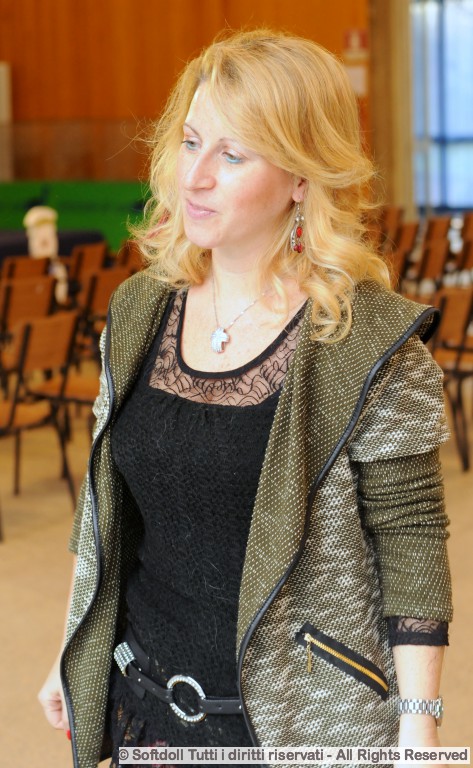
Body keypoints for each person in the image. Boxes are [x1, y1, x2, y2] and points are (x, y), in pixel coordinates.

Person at [38, 29, 452, 768]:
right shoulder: (138, 310)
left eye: (232, 156)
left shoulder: (368, 344)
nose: (194, 178)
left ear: (301, 178)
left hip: (301, 725)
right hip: (148, 711)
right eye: (191, 142)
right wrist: (74, 650)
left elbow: (411, 537)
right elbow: (102, 509)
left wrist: (420, 729)